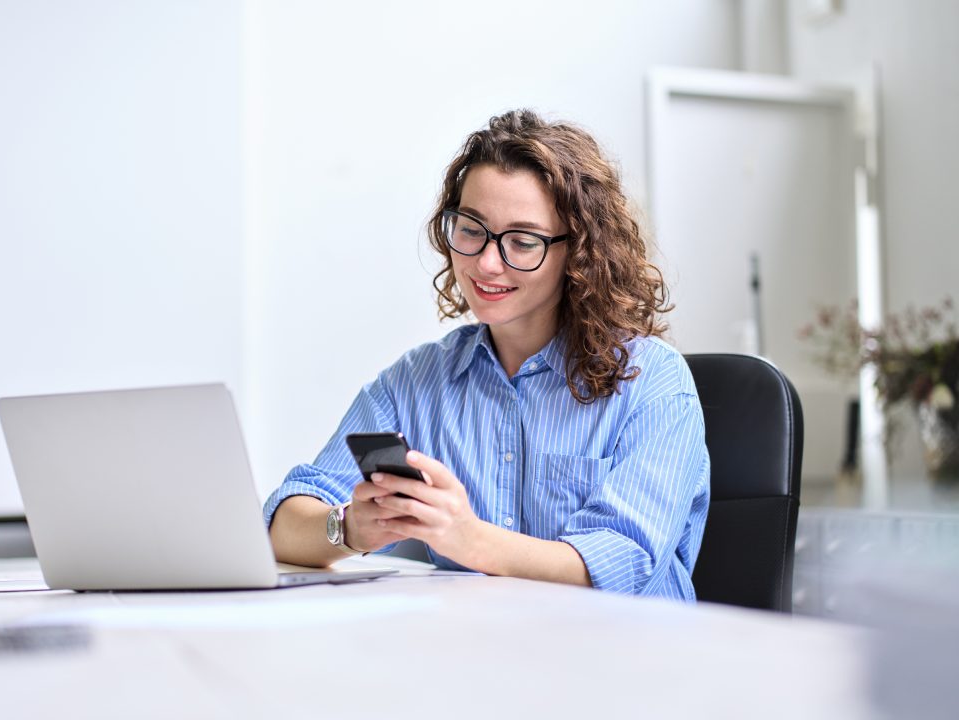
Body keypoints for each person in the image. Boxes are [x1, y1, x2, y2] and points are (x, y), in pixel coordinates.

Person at [263, 109, 710, 600]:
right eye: (471, 229)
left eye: (522, 241)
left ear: (580, 253)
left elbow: (622, 563)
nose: (486, 263)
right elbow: (285, 520)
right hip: (479, 657)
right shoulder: (415, 382)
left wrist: (466, 538)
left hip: (627, 661)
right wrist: (349, 529)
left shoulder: (654, 382)